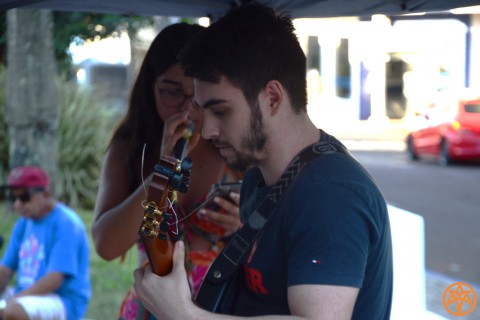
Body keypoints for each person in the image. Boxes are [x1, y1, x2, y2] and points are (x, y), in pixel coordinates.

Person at [133, 3, 393, 320]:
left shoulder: (329, 194)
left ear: (271, 97)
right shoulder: (260, 179)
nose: (207, 130)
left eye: (221, 110)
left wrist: (183, 313)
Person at [90, 22, 242, 320]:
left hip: (218, 310)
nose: (186, 110)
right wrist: (162, 170)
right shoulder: (130, 148)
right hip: (150, 310)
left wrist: (244, 226)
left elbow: (283, 244)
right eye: (171, 93)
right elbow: (107, 246)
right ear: (150, 87)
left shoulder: (235, 147)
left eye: (197, 97)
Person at [0, 166, 91, 320]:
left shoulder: (67, 223)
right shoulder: (24, 222)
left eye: (24, 197)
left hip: (63, 300)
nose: (17, 204)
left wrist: (14, 300)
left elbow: (54, 279)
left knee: (12, 312)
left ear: (46, 193)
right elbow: (6, 269)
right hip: (27, 294)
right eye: (13, 198)